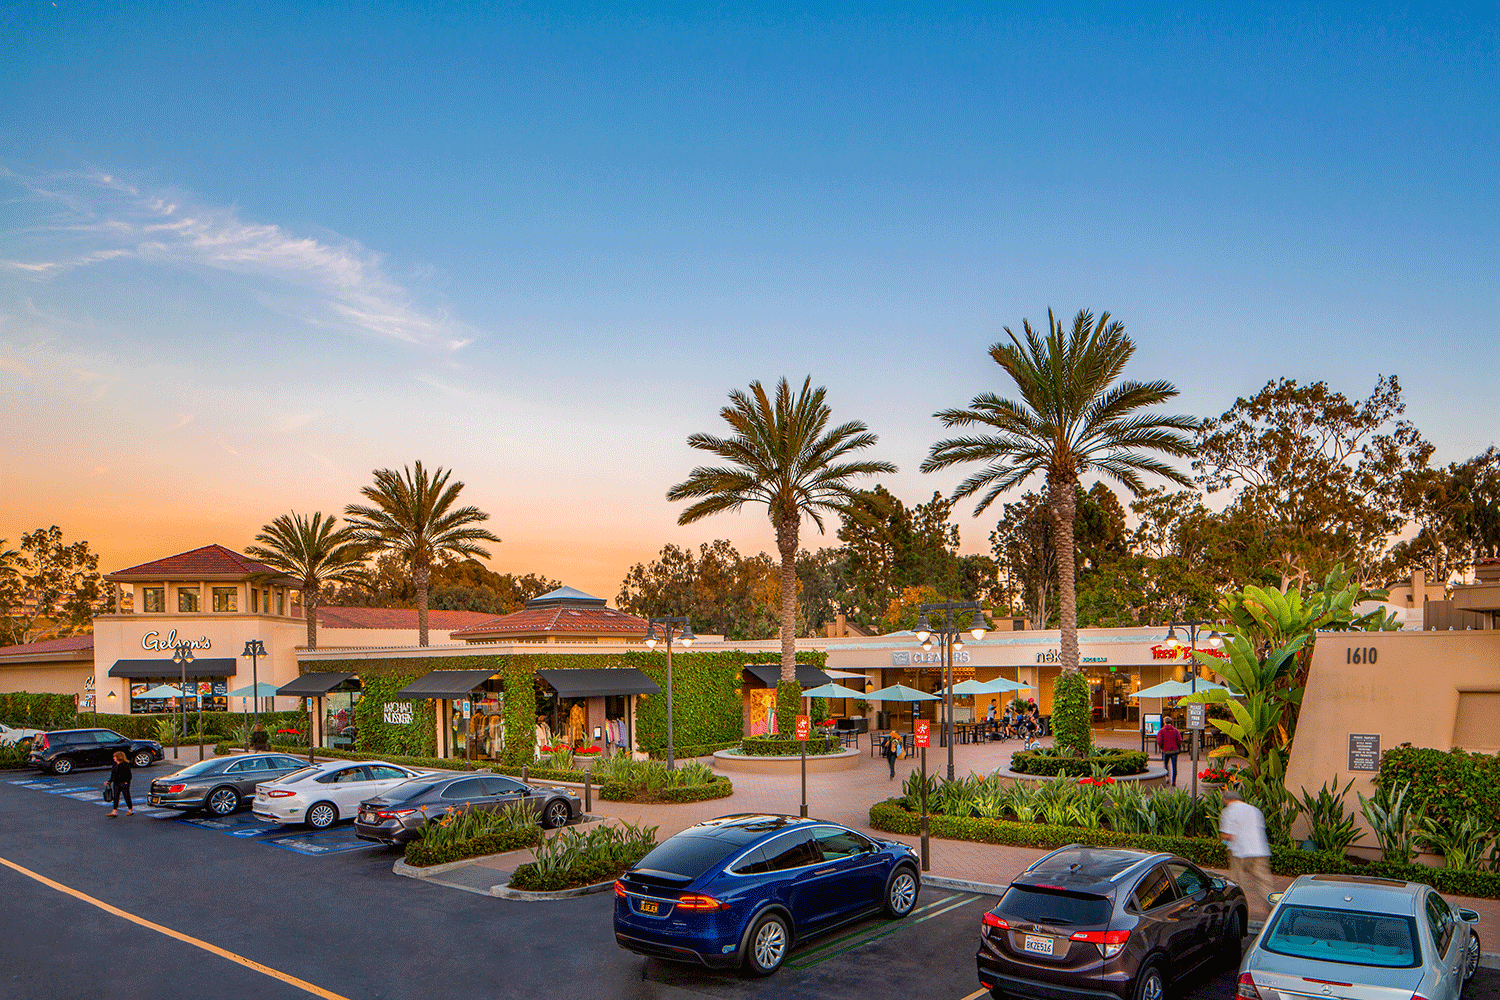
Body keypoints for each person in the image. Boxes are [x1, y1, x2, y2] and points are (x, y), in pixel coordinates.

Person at [1220, 787, 1272, 921]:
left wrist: (1224, 842)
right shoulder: (1255, 810)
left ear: (1227, 800)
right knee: (1264, 884)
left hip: (1239, 853)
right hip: (1260, 851)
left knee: (1237, 884)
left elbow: (1228, 835)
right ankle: (1273, 911)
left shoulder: (1228, 812)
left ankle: (1238, 914)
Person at [106, 750, 133, 817]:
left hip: (124, 782)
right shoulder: (115, 765)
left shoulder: (125, 764)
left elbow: (129, 775)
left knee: (126, 796)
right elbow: (113, 775)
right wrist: (109, 781)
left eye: (114, 756)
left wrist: (126, 781)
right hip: (116, 783)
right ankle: (114, 811)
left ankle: (130, 809)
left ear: (119, 757)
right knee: (116, 796)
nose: (113, 758)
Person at [1157, 717, 1182, 783]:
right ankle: (1174, 780)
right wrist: (1179, 747)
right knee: (1174, 765)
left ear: (1164, 722)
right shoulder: (1175, 730)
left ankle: (1167, 777)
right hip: (1174, 750)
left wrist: (1162, 747)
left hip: (1166, 750)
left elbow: (1159, 741)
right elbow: (1179, 740)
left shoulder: (1162, 730)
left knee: (1166, 764)